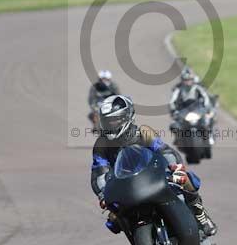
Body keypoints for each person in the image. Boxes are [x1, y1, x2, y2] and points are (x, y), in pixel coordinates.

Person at [90, 94, 217, 236]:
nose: (111, 125)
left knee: (185, 178)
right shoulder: (101, 145)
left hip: (154, 176)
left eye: (114, 120)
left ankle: (200, 214)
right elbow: (99, 172)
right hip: (125, 185)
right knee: (113, 220)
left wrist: (176, 168)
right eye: (107, 121)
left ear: (127, 116)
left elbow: (165, 151)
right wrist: (102, 194)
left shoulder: (143, 132)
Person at [169, 67, 216, 140]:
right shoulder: (178, 89)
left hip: (196, 109)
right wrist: (174, 111)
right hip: (183, 110)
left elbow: (205, 98)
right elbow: (172, 101)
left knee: (207, 120)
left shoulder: (197, 87)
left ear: (193, 79)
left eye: (189, 79)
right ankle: (179, 139)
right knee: (174, 125)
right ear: (182, 80)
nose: (188, 82)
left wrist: (207, 108)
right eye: (186, 80)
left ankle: (209, 136)